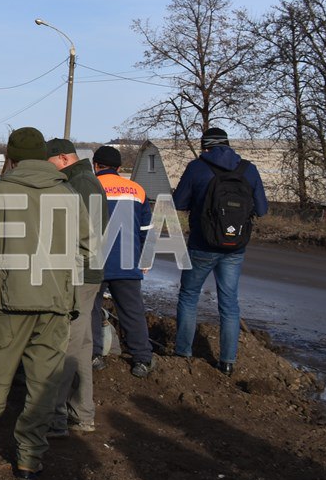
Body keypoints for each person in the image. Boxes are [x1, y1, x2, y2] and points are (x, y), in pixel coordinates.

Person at [0, 127, 92, 480]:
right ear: (43, 155)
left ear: (10, 156)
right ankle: (29, 458)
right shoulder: (68, 194)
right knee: (43, 384)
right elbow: (87, 249)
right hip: (54, 303)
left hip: (6, 302)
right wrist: (62, 280)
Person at [172, 126, 268, 375]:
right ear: (227, 144)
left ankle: (183, 353)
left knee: (189, 297)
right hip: (235, 246)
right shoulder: (248, 169)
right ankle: (227, 362)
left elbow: (179, 202)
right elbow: (262, 208)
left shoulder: (196, 167)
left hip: (201, 245)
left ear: (206, 147)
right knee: (229, 303)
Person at [44, 138, 106, 438]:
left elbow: (80, 233)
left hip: (78, 274)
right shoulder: (83, 180)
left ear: (63, 158)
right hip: (88, 273)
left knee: (65, 343)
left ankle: (55, 417)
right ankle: (83, 413)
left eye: (49, 163)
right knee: (82, 345)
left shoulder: (81, 184)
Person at [91, 145, 156, 378]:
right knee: (132, 312)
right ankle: (142, 359)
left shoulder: (88, 187)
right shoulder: (136, 190)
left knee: (91, 309)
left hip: (94, 263)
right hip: (127, 262)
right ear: (119, 168)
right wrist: (144, 258)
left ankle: (95, 356)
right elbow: (146, 229)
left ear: (95, 165)